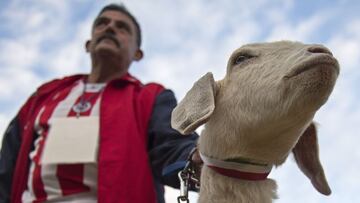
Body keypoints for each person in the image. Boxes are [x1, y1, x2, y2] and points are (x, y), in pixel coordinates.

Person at [0, 4, 199, 203]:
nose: (110, 28)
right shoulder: (42, 97)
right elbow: (7, 169)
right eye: (102, 23)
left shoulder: (150, 98)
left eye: (122, 27)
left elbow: (173, 146)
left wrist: (202, 158)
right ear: (88, 44)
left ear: (137, 53)